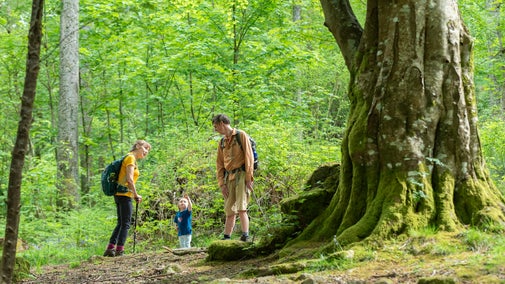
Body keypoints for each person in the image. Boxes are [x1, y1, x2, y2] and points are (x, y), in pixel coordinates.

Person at [103, 140, 151, 257]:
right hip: (125, 194)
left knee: (121, 223)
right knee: (126, 223)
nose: (146, 152)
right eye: (145, 148)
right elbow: (129, 179)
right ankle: (119, 250)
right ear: (138, 146)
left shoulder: (129, 158)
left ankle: (110, 248)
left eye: (148, 151)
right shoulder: (130, 158)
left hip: (120, 194)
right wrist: (136, 194)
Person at [212, 114, 254, 241]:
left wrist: (248, 178)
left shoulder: (241, 136)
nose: (215, 129)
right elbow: (219, 164)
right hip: (229, 177)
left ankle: (245, 235)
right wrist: (221, 184)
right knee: (229, 208)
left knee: (242, 207)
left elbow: (249, 157)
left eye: (216, 126)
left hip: (242, 175)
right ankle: (227, 236)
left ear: (222, 124)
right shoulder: (222, 142)